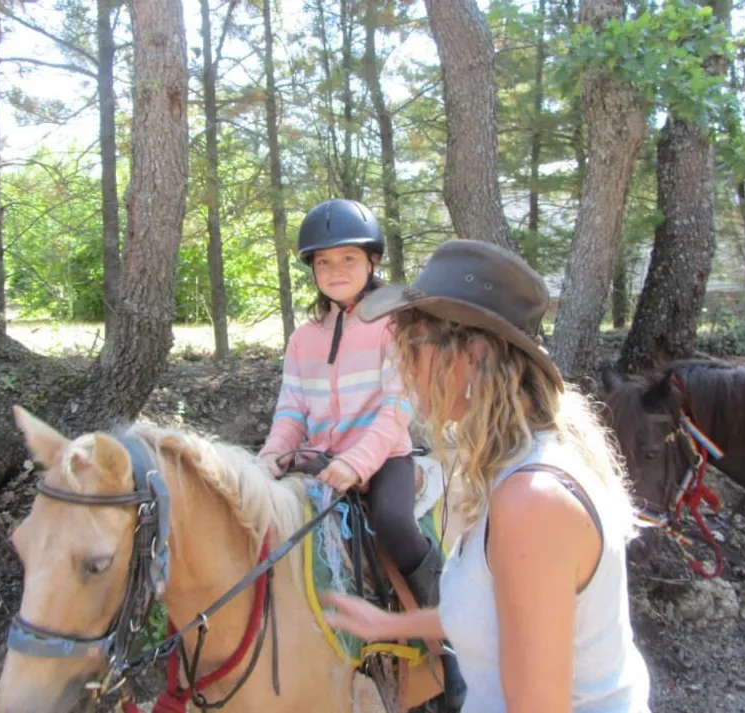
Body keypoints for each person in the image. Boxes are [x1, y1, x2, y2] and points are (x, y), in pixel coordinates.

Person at [323, 239, 651, 713]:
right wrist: (388, 625)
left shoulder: (531, 501)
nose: (402, 368)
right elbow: (496, 612)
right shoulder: (522, 467)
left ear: (472, 356)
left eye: (412, 348)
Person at [258, 198, 465, 709]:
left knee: (394, 522)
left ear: (372, 263)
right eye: (323, 262)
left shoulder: (394, 326)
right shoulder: (303, 338)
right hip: (319, 459)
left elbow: (396, 407)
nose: (334, 270)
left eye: (347, 259)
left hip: (383, 457)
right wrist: (268, 458)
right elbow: (292, 410)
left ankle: (454, 642)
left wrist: (357, 463)